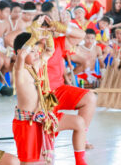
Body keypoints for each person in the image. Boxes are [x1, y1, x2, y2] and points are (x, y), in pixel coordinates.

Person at [12, 29, 94, 165]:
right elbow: (21, 58)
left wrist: (47, 35)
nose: (36, 54)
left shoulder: (35, 66)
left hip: (43, 119)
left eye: (37, 50)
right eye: (32, 51)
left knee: (79, 123)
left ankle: (80, 164)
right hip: (27, 123)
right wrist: (33, 37)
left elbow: (49, 52)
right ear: (20, 52)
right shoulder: (19, 71)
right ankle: (2, 163)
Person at [32, 15, 97, 149]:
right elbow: (10, 39)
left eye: (47, 28)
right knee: (45, 141)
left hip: (59, 90)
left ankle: (82, 136)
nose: (44, 31)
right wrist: (32, 29)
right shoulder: (30, 46)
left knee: (90, 98)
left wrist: (60, 27)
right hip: (39, 96)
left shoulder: (57, 43)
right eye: (40, 28)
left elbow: (81, 35)